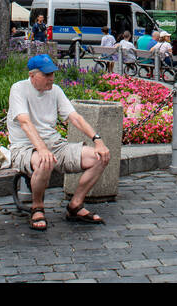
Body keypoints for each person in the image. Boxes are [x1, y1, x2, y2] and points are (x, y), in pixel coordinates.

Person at [7, 54, 111, 231]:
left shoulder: (55, 90)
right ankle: (37, 207)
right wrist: (41, 149)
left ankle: (75, 205)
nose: (51, 79)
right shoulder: (19, 89)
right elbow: (25, 122)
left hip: (54, 144)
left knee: (99, 157)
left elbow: (75, 118)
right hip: (24, 147)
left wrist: (97, 140)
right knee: (44, 161)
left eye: (52, 74)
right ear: (32, 76)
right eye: (46, 75)